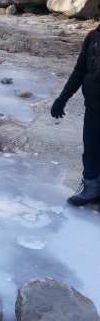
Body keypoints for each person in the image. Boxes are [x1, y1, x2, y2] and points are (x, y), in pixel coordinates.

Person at [51, 24, 100, 206]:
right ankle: (92, 187)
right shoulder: (93, 36)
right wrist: (63, 98)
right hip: (94, 106)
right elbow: (80, 70)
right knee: (91, 149)